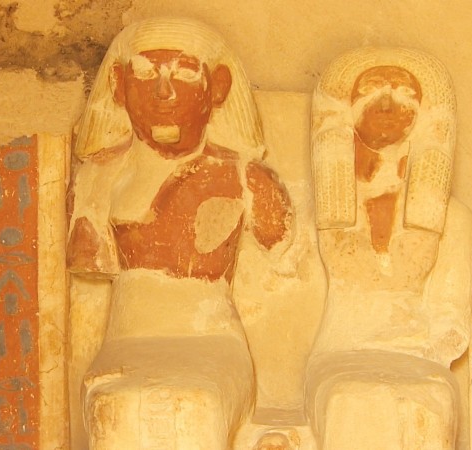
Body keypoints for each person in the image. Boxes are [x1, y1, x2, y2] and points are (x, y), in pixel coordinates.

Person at [66, 17, 292, 450]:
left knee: (194, 404)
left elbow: (286, 284)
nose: (163, 92)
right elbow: (86, 295)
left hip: (214, 344)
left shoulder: (247, 178)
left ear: (217, 88)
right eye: (145, 74)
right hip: (126, 343)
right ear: (118, 85)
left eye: (184, 74)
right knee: (117, 408)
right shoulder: (97, 177)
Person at [306, 47, 472, 449]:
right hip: (339, 356)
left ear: (425, 115)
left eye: (404, 94)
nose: (386, 105)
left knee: (427, 402)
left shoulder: (453, 217)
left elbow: (451, 316)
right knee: (353, 398)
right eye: (371, 90)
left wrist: (424, 351)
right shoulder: (318, 209)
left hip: (418, 361)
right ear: (344, 109)